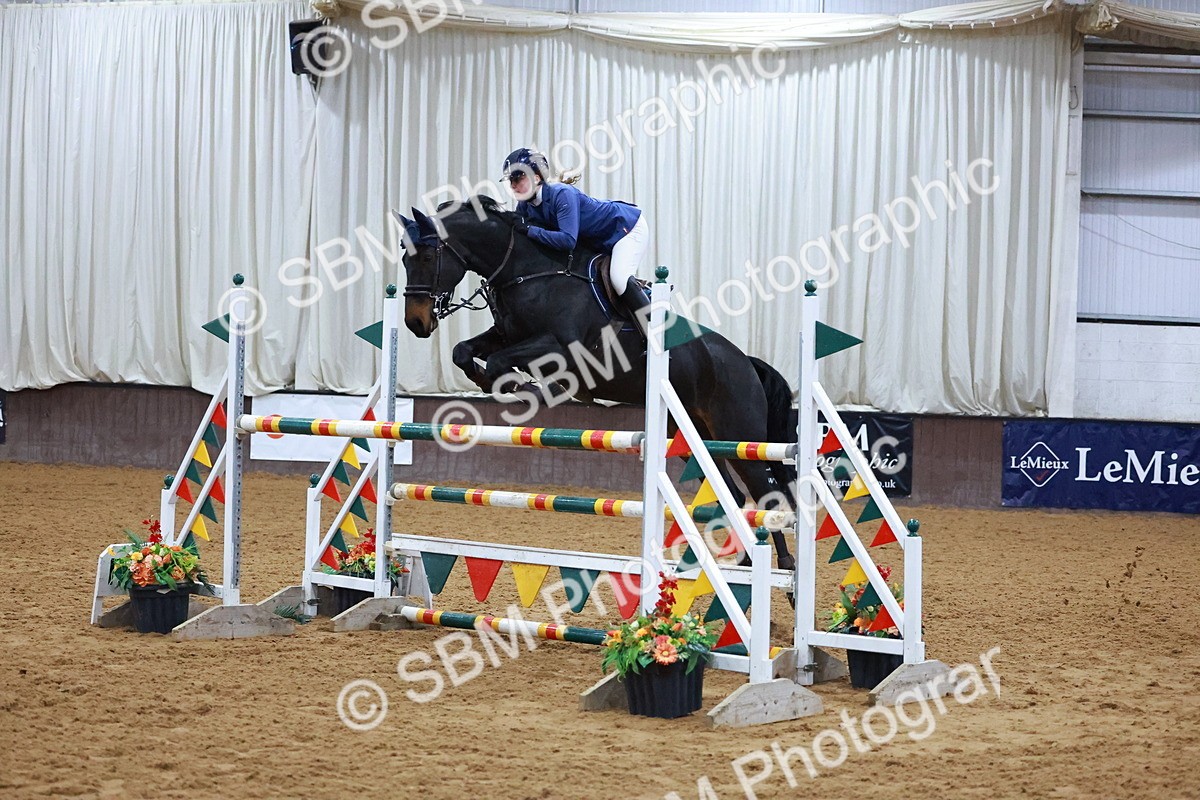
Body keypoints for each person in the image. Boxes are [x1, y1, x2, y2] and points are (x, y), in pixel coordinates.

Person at [501, 148, 651, 337]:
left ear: (537, 178)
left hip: (624, 229)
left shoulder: (562, 194)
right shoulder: (525, 206)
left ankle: (655, 329)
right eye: (510, 181)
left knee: (619, 278)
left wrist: (531, 230)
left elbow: (568, 240)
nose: (513, 185)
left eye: (518, 178)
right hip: (598, 240)